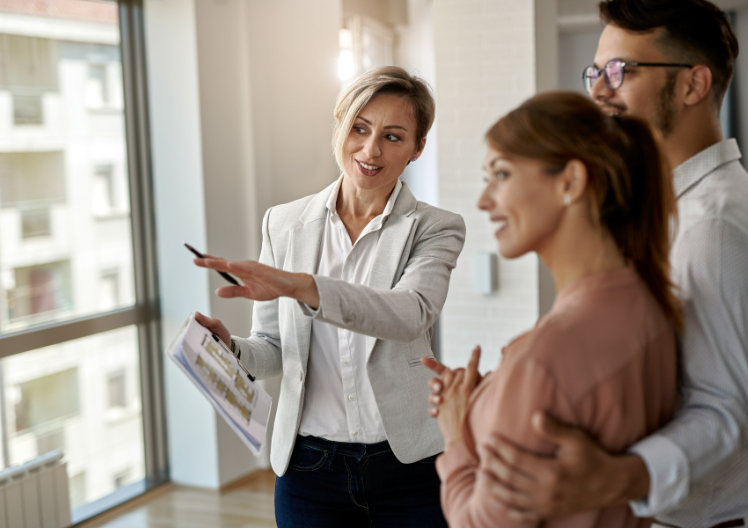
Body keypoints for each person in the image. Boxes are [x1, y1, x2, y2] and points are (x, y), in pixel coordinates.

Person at [468, 1, 748, 527]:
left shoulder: (711, 224)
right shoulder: (657, 210)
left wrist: (622, 476)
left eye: (621, 70)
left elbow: (725, 407)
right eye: (595, 72)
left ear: (693, 85)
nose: (598, 89)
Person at [192, 66, 465, 528]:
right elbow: (276, 349)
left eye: (393, 136)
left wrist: (302, 286)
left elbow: (409, 314)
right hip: (309, 469)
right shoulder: (282, 223)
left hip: (409, 465)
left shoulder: (435, 227)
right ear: (339, 125)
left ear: (417, 148)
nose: (370, 149)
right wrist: (232, 351)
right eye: (359, 127)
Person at [425, 91, 680, 527]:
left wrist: (455, 437)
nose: (484, 201)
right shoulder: (648, 306)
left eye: (500, 174)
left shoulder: (543, 360)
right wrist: (492, 393)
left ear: (570, 182)